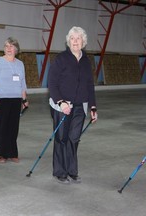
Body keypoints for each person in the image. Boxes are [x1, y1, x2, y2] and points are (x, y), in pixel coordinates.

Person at [48, 26, 98, 184]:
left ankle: (72, 171)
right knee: (61, 138)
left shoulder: (85, 61)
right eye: (72, 38)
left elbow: (90, 85)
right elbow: (52, 83)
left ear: (83, 41)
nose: (75, 41)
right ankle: (60, 172)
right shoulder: (61, 58)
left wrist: (93, 107)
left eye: (78, 38)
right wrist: (61, 102)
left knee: (74, 139)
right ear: (68, 41)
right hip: (62, 105)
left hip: (80, 106)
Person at [0, 37, 29, 163]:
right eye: (6, 46)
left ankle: (12, 152)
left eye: (11, 46)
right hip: (1, 99)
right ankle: (0, 154)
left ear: (16, 49)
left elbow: (22, 83)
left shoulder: (20, 64)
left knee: (13, 128)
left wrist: (24, 99)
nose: (8, 49)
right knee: (1, 128)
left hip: (16, 99)